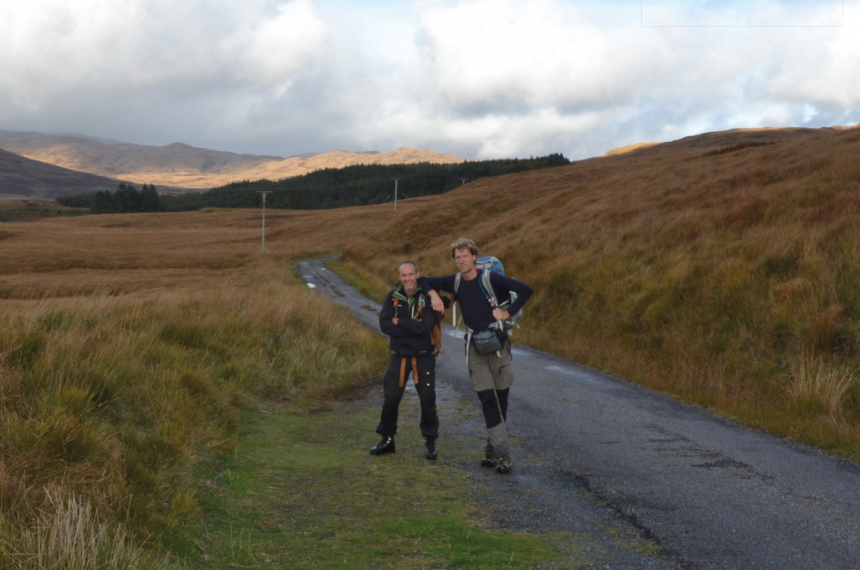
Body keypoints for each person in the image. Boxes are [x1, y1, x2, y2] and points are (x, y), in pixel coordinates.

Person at [419, 238, 533, 474]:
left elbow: (526, 290)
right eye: (457, 257)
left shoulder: (490, 278)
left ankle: (491, 449)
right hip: (475, 348)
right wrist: (434, 295)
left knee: (501, 401)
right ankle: (503, 455)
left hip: (498, 344)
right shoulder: (455, 281)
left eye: (465, 256)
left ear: (474, 257)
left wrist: (506, 312)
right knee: (487, 401)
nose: (461, 261)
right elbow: (422, 279)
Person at [371, 260, 444, 460]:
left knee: (427, 399)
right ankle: (387, 440)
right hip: (399, 355)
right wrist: (413, 326)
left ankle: (430, 443)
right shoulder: (392, 296)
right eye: (404, 275)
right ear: (399, 277)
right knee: (391, 397)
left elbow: (426, 327)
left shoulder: (427, 297)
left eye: (411, 274)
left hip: (424, 356)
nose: (408, 279)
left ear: (417, 274)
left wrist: (400, 322)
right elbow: (385, 324)